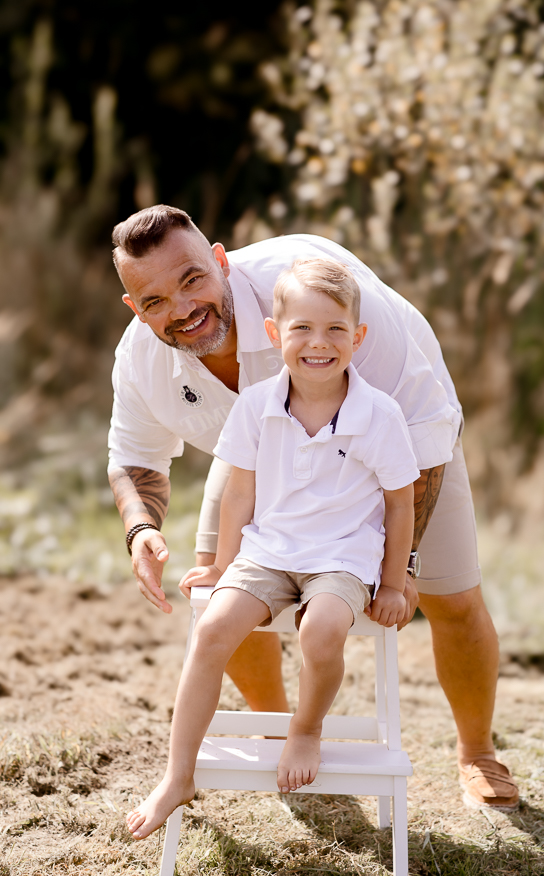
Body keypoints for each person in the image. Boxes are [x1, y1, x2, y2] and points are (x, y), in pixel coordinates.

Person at [109, 204, 519, 811]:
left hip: (402, 435)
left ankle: (478, 752)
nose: (183, 309)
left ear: (221, 262)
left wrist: (399, 567)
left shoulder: (319, 296)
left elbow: (423, 433)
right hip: (257, 453)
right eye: (155, 301)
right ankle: (284, 730)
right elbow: (135, 459)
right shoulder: (141, 358)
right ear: (134, 307)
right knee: (228, 597)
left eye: (193, 280)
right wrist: (141, 528)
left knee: (450, 597)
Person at [126, 259, 419, 838]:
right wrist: (220, 563)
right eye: (302, 329)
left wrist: (391, 582)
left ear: (357, 339)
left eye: (336, 330)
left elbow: (399, 504)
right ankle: (178, 773)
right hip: (269, 550)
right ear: (273, 335)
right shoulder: (256, 404)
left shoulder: (379, 414)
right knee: (212, 629)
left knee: (321, 630)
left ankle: (305, 728)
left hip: (343, 557)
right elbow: (240, 494)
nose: (319, 343)